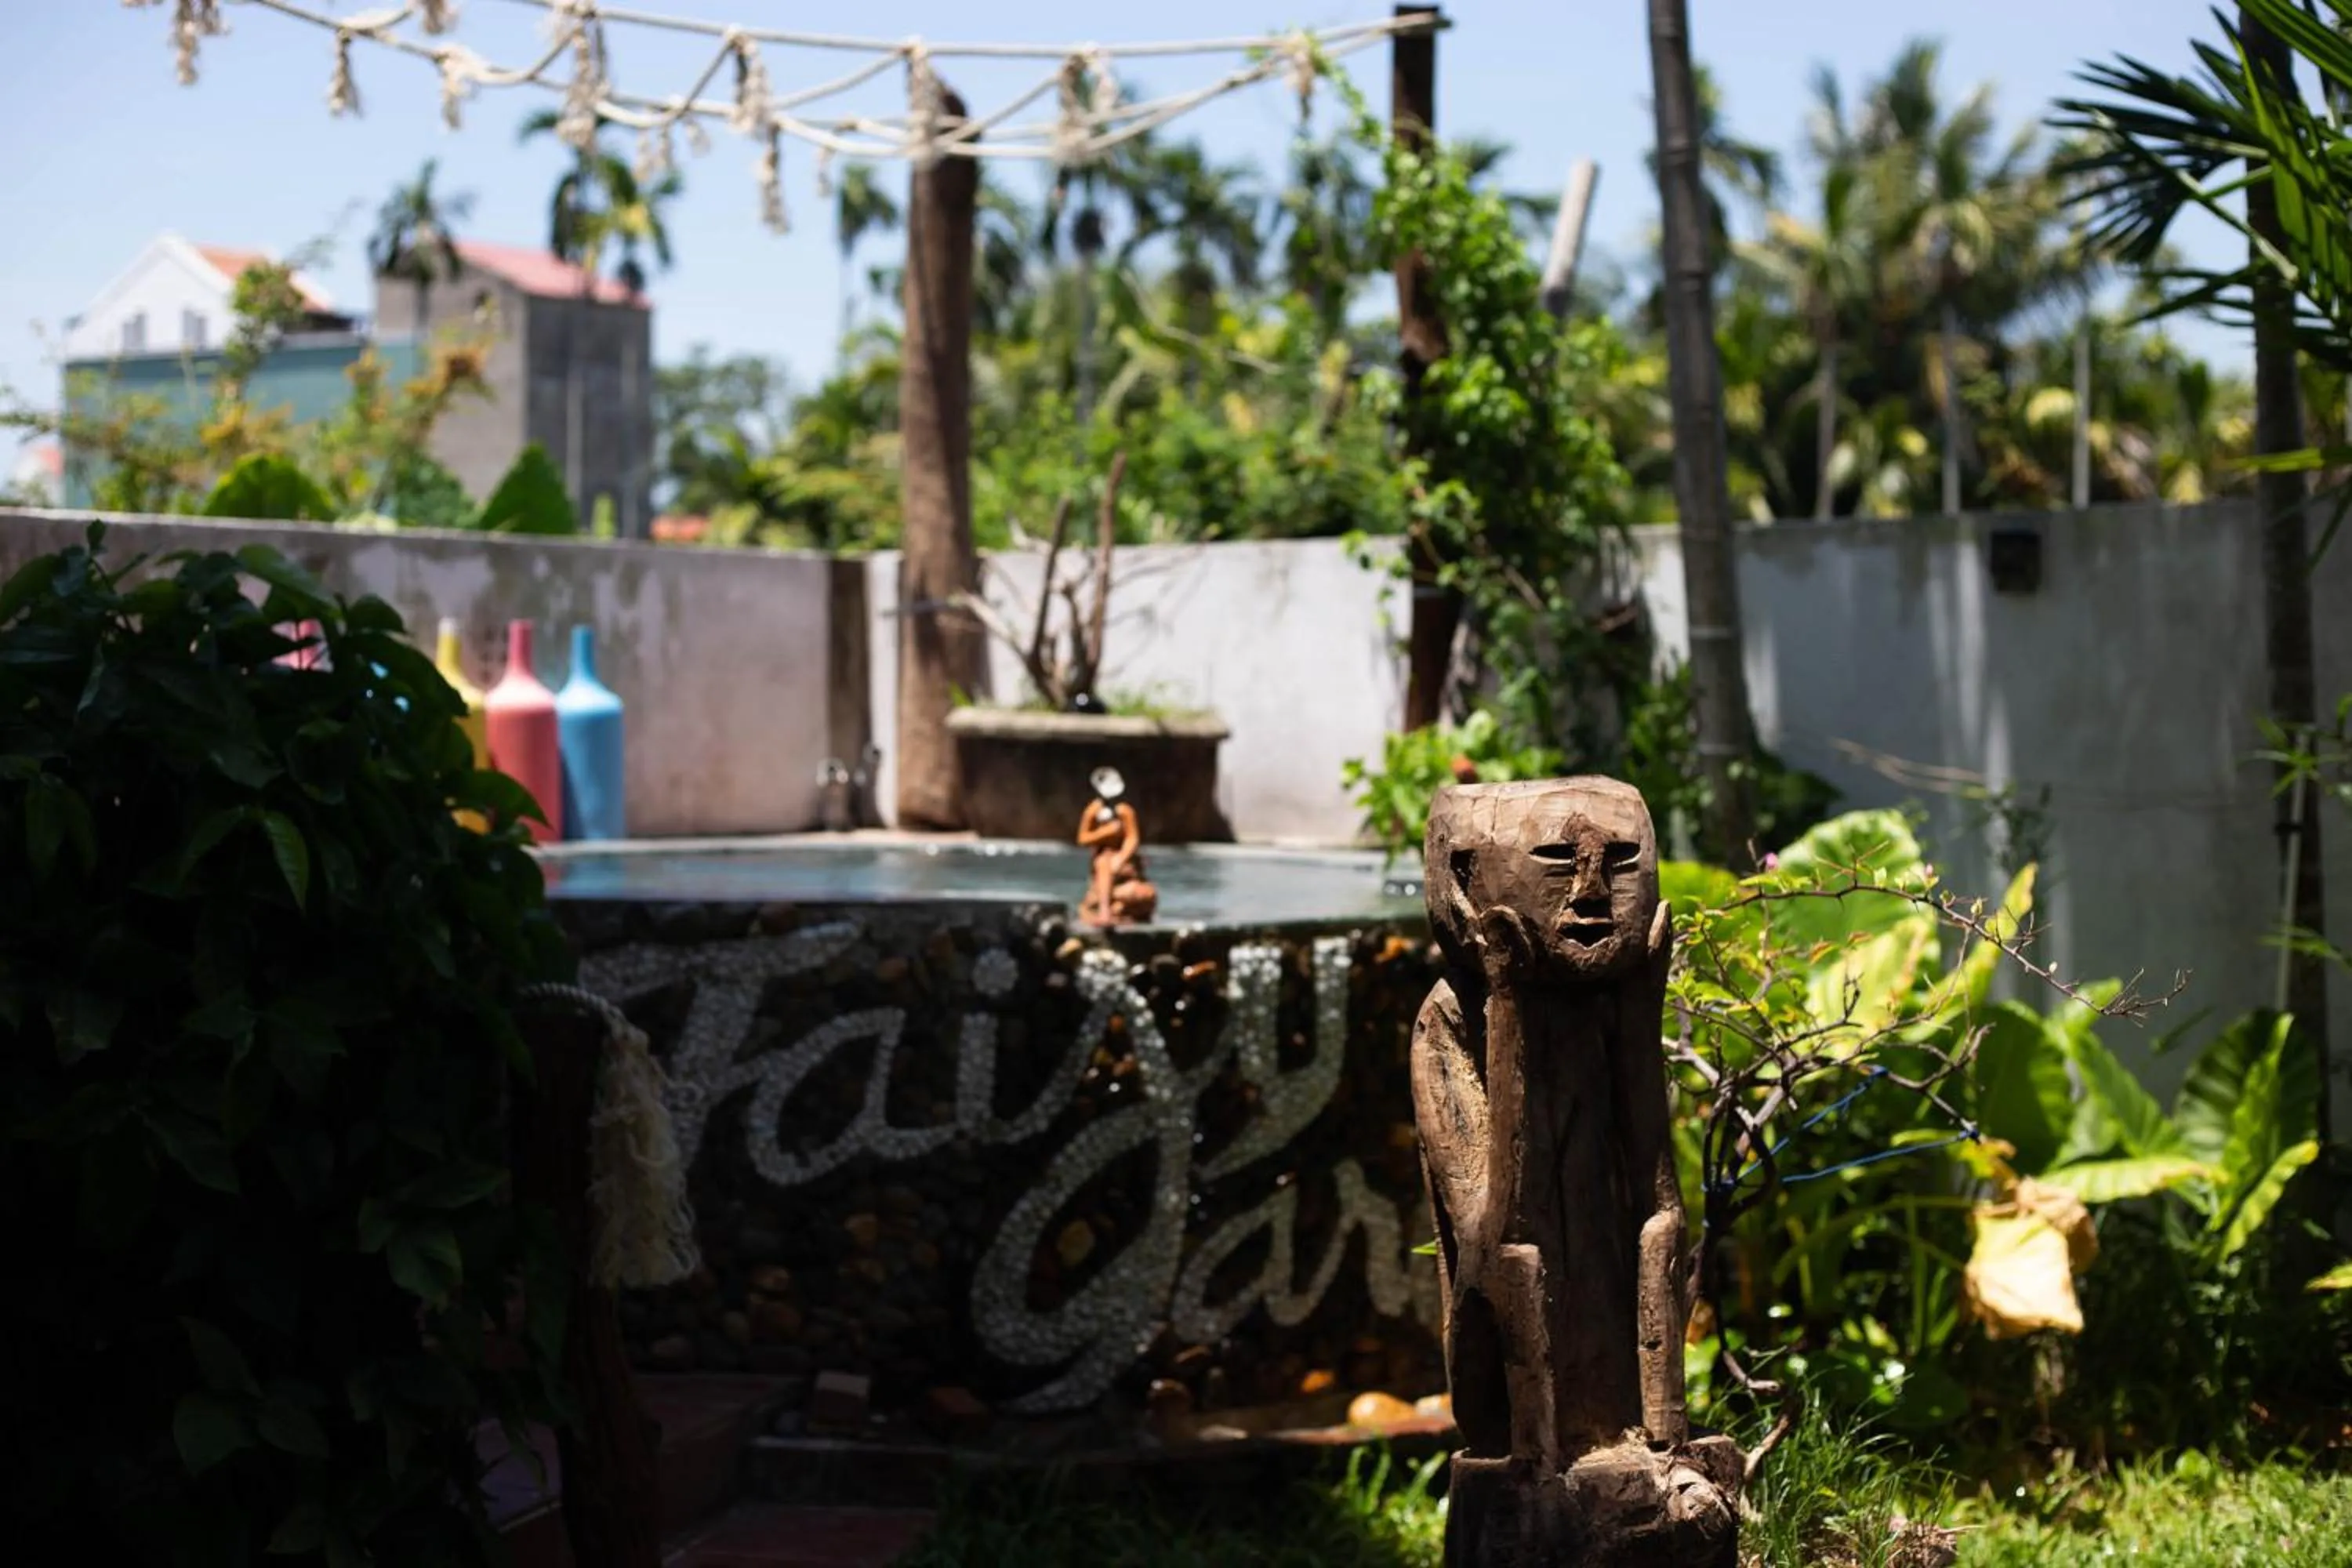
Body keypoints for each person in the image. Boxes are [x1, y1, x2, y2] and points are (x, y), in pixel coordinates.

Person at [1076, 766, 1157, 924]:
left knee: (1143, 894)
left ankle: (1118, 907)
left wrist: (1121, 857)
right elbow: (1083, 838)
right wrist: (1107, 832)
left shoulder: (1125, 811)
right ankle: (1105, 909)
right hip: (1103, 859)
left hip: (1123, 862)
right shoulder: (1093, 811)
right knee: (1103, 863)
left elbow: (1132, 838)